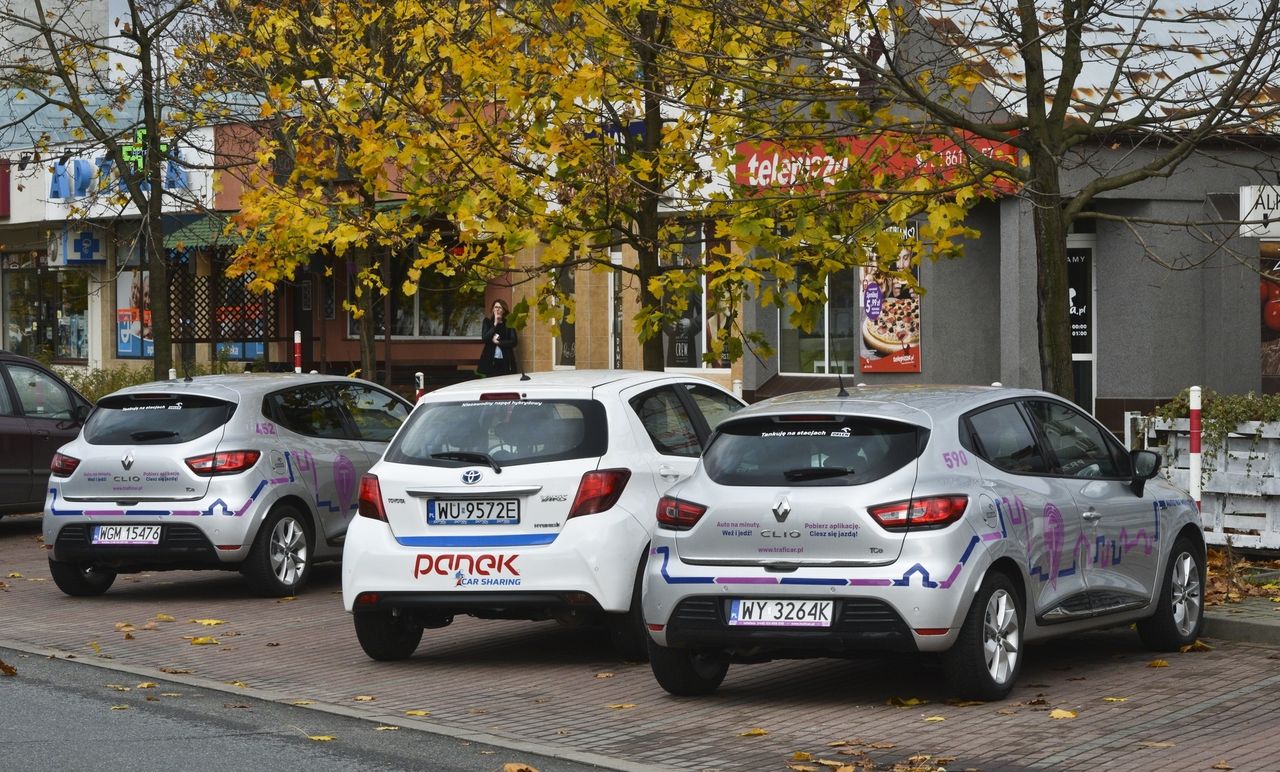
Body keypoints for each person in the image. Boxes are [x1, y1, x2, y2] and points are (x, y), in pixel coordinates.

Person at [477, 299, 518, 376]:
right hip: (491, 361)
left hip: (505, 360)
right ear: (492, 309)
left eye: (500, 307)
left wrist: (499, 342)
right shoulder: (487, 322)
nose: (497, 309)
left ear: (504, 311)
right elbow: (485, 338)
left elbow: (514, 341)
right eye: (496, 307)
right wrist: (495, 323)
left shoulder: (509, 323)